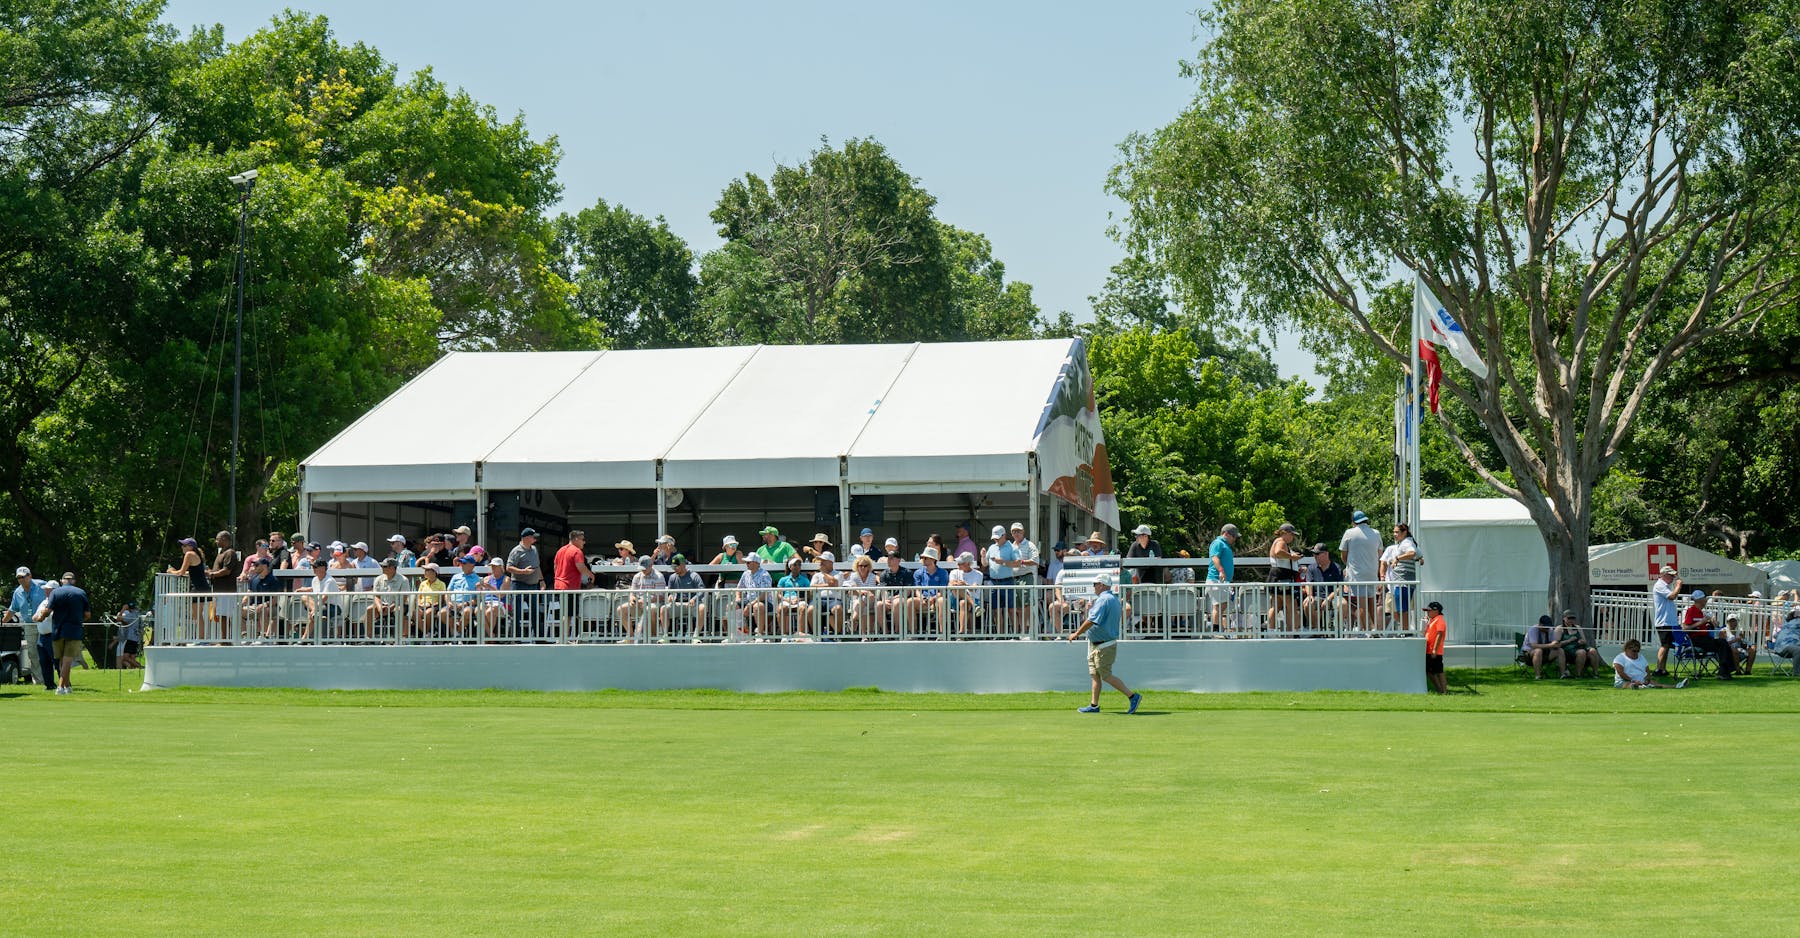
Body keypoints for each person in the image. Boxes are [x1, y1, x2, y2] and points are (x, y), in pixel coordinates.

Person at [1067, 574, 1141, 714]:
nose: (1094, 587)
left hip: (1103, 644)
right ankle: (1094, 705)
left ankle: (1132, 696)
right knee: (1095, 675)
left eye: (1095, 584)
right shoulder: (1111, 599)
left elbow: (1091, 621)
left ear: (1101, 585)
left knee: (1105, 675)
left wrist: (1076, 633)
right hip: (1099, 643)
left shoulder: (1104, 599)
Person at [34, 571, 88, 694]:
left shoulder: (55, 593)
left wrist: (40, 618)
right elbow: (87, 614)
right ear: (73, 581)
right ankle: (60, 687)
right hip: (74, 631)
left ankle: (66, 687)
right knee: (67, 661)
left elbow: (47, 611)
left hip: (57, 630)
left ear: (61, 581)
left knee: (61, 661)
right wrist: (79, 620)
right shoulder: (81, 593)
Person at [8, 567, 55, 690]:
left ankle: (50, 678)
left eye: (24, 576)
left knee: (46, 652)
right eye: (19, 577)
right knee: (32, 653)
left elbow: (55, 595)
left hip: (44, 623)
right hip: (29, 625)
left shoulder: (42, 585)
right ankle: (39, 681)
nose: (21, 579)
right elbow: (12, 610)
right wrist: (2, 622)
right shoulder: (17, 592)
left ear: (30, 575)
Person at [1339, 510, 1384, 632]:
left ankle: (1367, 630)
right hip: (1372, 573)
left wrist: (1348, 565)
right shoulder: (1376, 533)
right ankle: (1376, 630)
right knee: (1372, 602)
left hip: (1357, 574)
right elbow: (1380, 554)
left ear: (1353, 522)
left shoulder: (1349, 533)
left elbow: (1343, 555)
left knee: (1361, 603)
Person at [1681, 590, 1737, 680]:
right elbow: (1685, 627)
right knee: (1722, 644)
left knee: (1723, 643)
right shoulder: (1691, 610)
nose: (1706, 600)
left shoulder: (1700, 612)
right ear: (1699, 600)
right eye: (1704, 599)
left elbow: (1703, 625)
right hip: (1697, 639)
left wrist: (1711, 623)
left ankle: (1725, 670)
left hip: (1704, 638)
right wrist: (1701, 622)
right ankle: (1725, 671)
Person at [168, 536, 210, 639]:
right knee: (197, 615)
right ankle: (202, 638)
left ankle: (202, 639)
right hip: (201, 587)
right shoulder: (196, 554)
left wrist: (171, 571)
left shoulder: (189, 554)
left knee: (197, 615)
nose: (182, 547)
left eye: (184, 545)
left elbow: (181, 572)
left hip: (199, 588)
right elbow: (191, 572)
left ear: (190, 547)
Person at [1380, 523, 1420, 631]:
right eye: (1394, 532)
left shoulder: (1406, 542)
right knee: (1398, 609)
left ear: (1404, 532)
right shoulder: (1408, 542)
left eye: (1397, 532)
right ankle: (1405, 629)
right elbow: (1419, 557)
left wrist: (1397, 559)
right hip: (1401, 582)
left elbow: (1412, 553)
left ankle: (1406, 631)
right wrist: (1419, 560)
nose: (1394, 534)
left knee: (1402, 609)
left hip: (1404, 582)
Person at [506, 528, 544, 636]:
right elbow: (508, 567)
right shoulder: (516, 551)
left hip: (533, 585)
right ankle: (515, 638)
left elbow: (537, 567)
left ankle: (539, 638)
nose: (535, 538)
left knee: (535, 614)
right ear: (527, 538)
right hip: (518, 585)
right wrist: (523, 572)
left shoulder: (534, 549)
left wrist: (541, 580)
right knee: (516, 613)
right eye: (533, 536)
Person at [1267, 523, 1303, 634]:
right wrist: (1293, 557)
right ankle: (1293, 632)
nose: (1293, 538)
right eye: (1292, 535)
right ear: (1285, 533)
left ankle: (1271, 631)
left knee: (1276, 605)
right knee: (1292, 605)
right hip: (1282, 576)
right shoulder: (1281, 541)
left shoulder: (1279, 542)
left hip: (1278, 576)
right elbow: (1278, 552)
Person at [1301, 543, 1345, 633]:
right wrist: (1310, 595)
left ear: (1326, 554)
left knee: (1343, 604)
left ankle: (1336, 630)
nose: (1315, 556)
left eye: (1317, 554)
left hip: (1333, 597)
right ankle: (1315, 630)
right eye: (1314, 554)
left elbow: (1339, 587)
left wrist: (1329, 598)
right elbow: (1308, 584)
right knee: (1307, 603)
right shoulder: (1311, 567)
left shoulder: (1336, 567)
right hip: (1318, 597)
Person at [624, 556, 668, 643]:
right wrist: (632, 599)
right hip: (639, 603)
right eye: (641, 568)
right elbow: (632, 593)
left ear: (651, 565)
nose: (642, 570)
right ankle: (631, 637)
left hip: (654, 603)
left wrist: (646, 601)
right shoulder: (637, 576)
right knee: (620, 609)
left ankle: (653, 637)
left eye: (644, 568)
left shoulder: (659, 576)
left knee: (650, 608)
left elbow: (660, 597)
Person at [206, 530, 241, 641]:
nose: (216, 541)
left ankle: (225, 640)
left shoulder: (230, 553)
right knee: (220, 614)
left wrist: (212, 574)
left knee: (224, 615)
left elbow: (227, 571)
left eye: (217, 539)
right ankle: (224, 639)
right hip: (219, 589)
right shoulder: (221, 553)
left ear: (224, 539)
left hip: (227, 589)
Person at [665, 555, 707, 642]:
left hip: (692, 605)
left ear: (683, 564)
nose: (674, 569)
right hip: (678, 604)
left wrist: (694, 599)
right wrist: (670, 596)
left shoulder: (694, 576)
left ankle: (696, 636)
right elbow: (670, 592)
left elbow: (702, 590)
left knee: (702, 607)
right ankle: (665, 636)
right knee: (663, 609)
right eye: (673, 567)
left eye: (676, 566)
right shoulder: (672, 577)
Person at [985, 525, 1019, 633]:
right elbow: (985, 563)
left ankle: (1015, 634)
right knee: (996, 610)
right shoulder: (991, 548)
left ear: (1004, 535)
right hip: (993, 582)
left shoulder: (1012, 547)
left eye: (998, 537)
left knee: (1011, 610)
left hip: (1008, 581)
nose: (996, 539)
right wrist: (982, 556)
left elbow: (1018, 563)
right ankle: (1000, 634)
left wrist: (1003, 562)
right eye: (994, 538)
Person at [733, 554, 775, 642]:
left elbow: (764, 594)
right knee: (732, 605)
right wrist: (737, 597)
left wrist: (750, 604)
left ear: (756, 563)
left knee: (758, 606)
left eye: (748, 562)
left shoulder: (765, 574)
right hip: (749, 600)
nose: (746, 564)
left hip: (764, 601)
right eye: (746, 562)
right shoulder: (746, 573)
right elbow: (739, 588)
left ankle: (760, 634)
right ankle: (740, 634)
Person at [909, 547, 950, 635]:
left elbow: (942, 592)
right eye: (922, 557)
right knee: (910, 601)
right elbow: (917, 590)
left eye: (925, 558)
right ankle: (913, 633)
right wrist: (922, 598)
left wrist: (933, 598)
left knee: (941, 600)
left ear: (933, 559)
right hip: (923, 600)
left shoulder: (943, 572)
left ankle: (942, 633)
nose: (922, 559)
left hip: (937, 601)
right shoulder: (918, 573)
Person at [240, 557, 284, 641]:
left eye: (256, 565)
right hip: (255, 606)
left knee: (263, 610)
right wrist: (243, 601)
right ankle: (244, 635)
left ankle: (263, 636)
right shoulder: (253, 578)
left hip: (270, 607)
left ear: (264, 566)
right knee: (237, 610)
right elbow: (249, 592)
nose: (254, 567)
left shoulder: (273, 580)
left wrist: (264, 604)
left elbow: (274, 600)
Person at [365, 557, 410, 638]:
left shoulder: (403, 580)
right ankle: (369, 638)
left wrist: (390, 608)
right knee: (369, 609)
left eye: (385, 566)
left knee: (398, 610)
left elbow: (403, 598)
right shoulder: (378, 579)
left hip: (398, 605)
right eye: (382, 566)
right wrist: (379, 607)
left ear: (392, 568)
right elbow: (376, 596)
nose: (382, 568)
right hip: (382, 605)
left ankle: (399, 638)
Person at [1206, 523, 1239, 634]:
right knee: (1219, 606)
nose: (1235, 539)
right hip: (1215, 579)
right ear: (1226, 534)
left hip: (1222, 581)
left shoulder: (1225, 545)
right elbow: (1215, 557)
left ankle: (1218, 629)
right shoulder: (1218, 543)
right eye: (1234, 536)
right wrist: (1221, 570)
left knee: (1222, 605)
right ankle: (1216, 631)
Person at [1650, 565, 1682, 676]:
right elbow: (1672, 596)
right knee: (1664, 645)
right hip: (1663, 621)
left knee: (1667, 645)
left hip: (1668, 621)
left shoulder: (1665, 586)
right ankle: (1658, 668)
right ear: (1664, 575)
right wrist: (1678, 586)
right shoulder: (1659, 585)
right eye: (1671, 575)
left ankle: (1662, 669)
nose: (1673, 578)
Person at [1613, 639, 1681, 688]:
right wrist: (1633, 680)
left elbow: (1647, 670)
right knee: (1630, 685)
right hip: (1624, 681)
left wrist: (1647, 679)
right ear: (1626, 649)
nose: (1636, 653)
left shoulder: (1641, 657)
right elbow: (1621, 673)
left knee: (1655, 683)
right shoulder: (1619, 658)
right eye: (1633, 651)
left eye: (1637, 651)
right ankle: (1642, 686)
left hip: (1641, 681)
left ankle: (1676, 686)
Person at [1555, 610, 1603, 678]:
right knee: (1582, 652)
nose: (1571, 620)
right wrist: (1569, 640)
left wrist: (1582, 641)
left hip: (1579, 647)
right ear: (1564, 618)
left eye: (1573, 618)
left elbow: (1584, 641)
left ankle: (1595, 674)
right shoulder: (1559, 629)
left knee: (1593, 651)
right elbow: (1557, 644)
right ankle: (1578, 674)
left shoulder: (1578, 627)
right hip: (1568, 651)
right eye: (1569, 618)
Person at [843, 554, 880, 638]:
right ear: (857, 566)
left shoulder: (872, 576)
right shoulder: (853, 575)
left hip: (870, 601)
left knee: (862, 602)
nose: (862, 568)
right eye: (860, 565)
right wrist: (862, 592)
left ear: (868, 567)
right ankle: (864, 635)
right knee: (862, 605)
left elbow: (869, 593)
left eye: (865, 566)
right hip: (857, 602)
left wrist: (859, 592)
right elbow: (852, 591)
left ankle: (853, 620)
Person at [775, 556, 812, 639]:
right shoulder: (783, 579)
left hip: (799, 600)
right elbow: (779, 594)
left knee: (802, 608)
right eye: (795, 565)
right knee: (782, 608)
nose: (797, 567)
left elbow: (808, 595)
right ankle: (784, 634)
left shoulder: (805, 579)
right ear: (790, 567)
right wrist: (787, 600)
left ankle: (800, 634)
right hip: (786, 600)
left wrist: (799, 599)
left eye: (799, 565)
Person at [876, 552, 912, 636]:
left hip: (902, 599)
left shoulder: (907, 572)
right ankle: (886, 633)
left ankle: (897, 632)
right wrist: (885, 600)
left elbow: (908, 590)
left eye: (892, 558)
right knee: (878, 605)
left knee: (897, 603)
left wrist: (900, 596)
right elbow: (883, 589)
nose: (889, 560)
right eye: (888, 558)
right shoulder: (884, 574)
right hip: (889, 599)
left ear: (898, 560)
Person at [949, 551, 985, 635]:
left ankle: (961, 632)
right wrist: (961, 585)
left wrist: (965, 584)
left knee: (963, 602)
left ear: (968, 563)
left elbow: (975, 588)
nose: (958, 564)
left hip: (971, 599)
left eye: (960, 563)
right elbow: (951, 584)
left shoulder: (978, 574)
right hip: (956, 599)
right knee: (958, 589)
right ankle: (975, 606)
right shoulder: (954, 572)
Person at [409, 562, 448, 640]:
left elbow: (441, 600)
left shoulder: (441, 584)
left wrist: (430, 604)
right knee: (414, 613)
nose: (425, 572)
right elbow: (419, 597)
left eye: (427, 570)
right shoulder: (423, 583)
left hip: (435, 606)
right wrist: (420, 604)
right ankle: (426, 634)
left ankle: (427, 634)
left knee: (428, 613)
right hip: (422, 606)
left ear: (434, 572)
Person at [810, 552, 845, 638]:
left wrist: (824, 573)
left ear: (830, 562)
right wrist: (827, 585)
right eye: (820, 560)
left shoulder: (839, 574)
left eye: (823, 561)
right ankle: (816, 635)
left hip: (834, 600)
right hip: (818, 600)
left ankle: (838, 634)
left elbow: (834, 583)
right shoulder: (817, 575)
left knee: (838, 609)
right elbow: (812, 587)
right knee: (810, 610)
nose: (821, 562)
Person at [1522, 614, 1567, 679]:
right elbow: (1534, 645)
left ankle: (1563, 675)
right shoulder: (1533, 630)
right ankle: (1538, 676)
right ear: (1540, 624)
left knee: (1560, 650)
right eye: (1545, 627)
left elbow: (1553, 642)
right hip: (1529, 655)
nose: (1547, 629)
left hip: (1546, 653)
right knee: (1538, 651)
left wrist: (1556, 643)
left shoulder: (1550, 630)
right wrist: (1551, 645)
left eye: (1548, 627)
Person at [477, 557, 511, 640]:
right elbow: (481, 592)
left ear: (501, 567)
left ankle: (487, 637)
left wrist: (489, 587)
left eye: (495, 566)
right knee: (479, 610)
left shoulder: (506, 579)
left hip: (500, 603)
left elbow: (501, 595)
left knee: (490, 611)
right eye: (492, 566)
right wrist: (479, 587)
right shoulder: (486, 578)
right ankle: (491, 636)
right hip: (486, 602)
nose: (493, 568)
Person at [1423, 600, 1448, 694]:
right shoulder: (1433, 620)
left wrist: (1434, 650)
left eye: (1429, 610)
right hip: (1429, 650)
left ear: (1436, 611)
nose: (1427, 612)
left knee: (1439, 671)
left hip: (1435, 651)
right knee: (1430, 672)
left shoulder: (1440, 620)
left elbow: (1439, 634)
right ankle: (1439, 689)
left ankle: (1444, 691)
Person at [117, 601, 144, 669]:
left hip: (131, 639)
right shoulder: (138, 614)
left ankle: (142, 667)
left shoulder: (130, 615)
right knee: (132, 658)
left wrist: (123, 609)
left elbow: (118, 618)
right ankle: (135, 670)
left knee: (125, 658)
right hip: (137, 638)